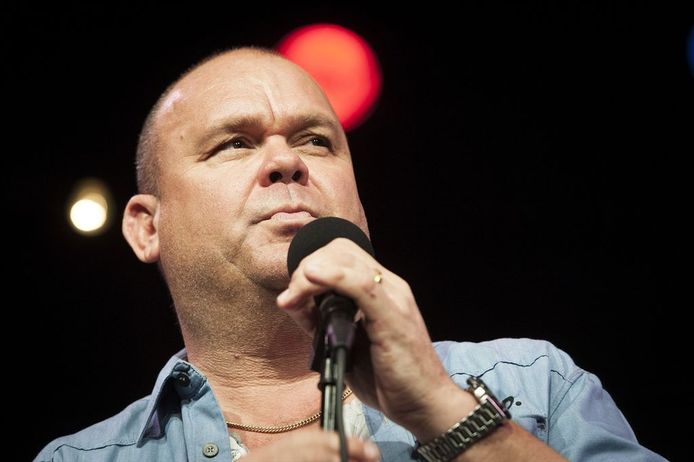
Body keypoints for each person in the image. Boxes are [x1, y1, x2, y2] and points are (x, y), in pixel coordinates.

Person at [35, 47, 666, 462]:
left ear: (359, 204)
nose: (287, 161)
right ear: (148, 227)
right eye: (234, 144)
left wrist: (446, 413)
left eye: (316, 140)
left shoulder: (533, 386)